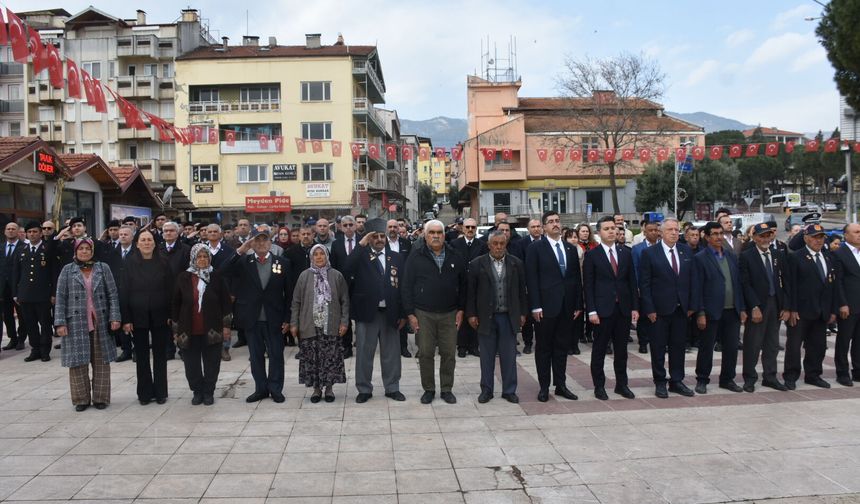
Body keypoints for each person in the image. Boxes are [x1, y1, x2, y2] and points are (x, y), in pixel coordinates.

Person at [402, 219, 466, 405]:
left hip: (450, 313)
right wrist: (410, 314)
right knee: (426, 353)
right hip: (423, 313)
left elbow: (464, 285)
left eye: (439, 232)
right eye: (432, 233)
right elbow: (406, 286)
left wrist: (461, 309)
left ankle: (447, 389)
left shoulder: (455, 255)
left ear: (444, 235)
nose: (436, 236)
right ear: (425, 235)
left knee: (448, 354)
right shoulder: (416, 256)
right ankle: (428, 389)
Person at [54, 239, 121, 411]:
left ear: (92, 251)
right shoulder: (67, 270)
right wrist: (60, 322)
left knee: (101, 361)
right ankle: (81, 399)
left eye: (87, 249)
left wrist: (115, 317)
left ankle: (100, 398)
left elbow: (113, 294)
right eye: (81, 249)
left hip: (100, 321)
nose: (84, 251)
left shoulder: (103, 268)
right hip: (75, 322)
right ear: (75, 251)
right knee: (77, 362)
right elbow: (60, 298)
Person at [526, 211, 583, 402]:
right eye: (550, 222)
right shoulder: (536, 248)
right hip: (545, 308)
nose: (555, 224)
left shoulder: (570, 248)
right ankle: (544, 387)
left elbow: (575, 279)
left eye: (557, 221)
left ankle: (561, 385)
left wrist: (577, 304)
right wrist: (535, 306)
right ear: (543, 227)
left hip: (567, 308)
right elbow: (531, 279)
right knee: (543, 349)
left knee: (561, 348)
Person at [229, 230, 293, 403]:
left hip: (275, 318)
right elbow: (224, 269)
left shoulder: (283, 262)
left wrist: (288, 318)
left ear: (271, 243)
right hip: (252, 318)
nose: (262, 244)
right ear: (252, 243)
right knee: (256, 356)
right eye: (257, 241)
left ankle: (275, 388)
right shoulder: (244, 262)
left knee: (276, 355)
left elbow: (289, 294)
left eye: (265, 240)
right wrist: (242, 249)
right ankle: (261, 389)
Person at [347, 221, 407, 403]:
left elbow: (403, 286)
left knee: (391, 353)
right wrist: (361, 244)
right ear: (369, 238)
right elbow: (346, 269)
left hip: (390, 312)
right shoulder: (361, 256)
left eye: (382, 236)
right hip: (367, 313)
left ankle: (392, 387)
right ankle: (364, 389)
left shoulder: (396, 257)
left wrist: (403, 313)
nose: (380, 239)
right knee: (365, 353)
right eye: (375, 236)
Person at [467, 230, 527, 404]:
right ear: (489, 245)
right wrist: (471, 314)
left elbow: (522, 292)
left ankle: (509, 390)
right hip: (486, 317)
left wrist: (523, 313)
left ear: (506, 244)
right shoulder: (477, 264)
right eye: (495, 243)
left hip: (508, 316)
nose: (499, 247)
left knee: (509, 356)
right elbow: (470, 293)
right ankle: (487, 390)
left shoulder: (516, 263)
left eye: (502, 243)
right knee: (486, 356)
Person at [639, 218, 696, 398]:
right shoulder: (650, 253)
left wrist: (691, 306)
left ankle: (677, 381)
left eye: (676, 229)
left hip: (681, 309)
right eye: (670, 229)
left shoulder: (686, 251)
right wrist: (649, 309)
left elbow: (692, 281)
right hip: (659, 310)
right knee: (658, 347)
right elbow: (645, 284)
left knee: (678, 347)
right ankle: (660, 381)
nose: (674, 232)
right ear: (661, 233)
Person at [584, 216, 639, 400]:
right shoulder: (592, 255)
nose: (611, 231)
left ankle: (621, 385)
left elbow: (632, 282)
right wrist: (591, 310)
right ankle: (599, 386)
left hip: (622, 309)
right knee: (599, 349)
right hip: (601, 310)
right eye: (606, 228)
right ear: (599, 232)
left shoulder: (626, 253)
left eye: (614, 228)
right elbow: (588, 285)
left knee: (621, 350)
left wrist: (634, 307)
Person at [171, 244, 232, 406]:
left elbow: (226, 303)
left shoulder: (216, 276)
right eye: (199, 257)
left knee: (212, 363)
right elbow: (176, 304)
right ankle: (197, 391)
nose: (203, 260)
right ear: (193, 258)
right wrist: (175, 330)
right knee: (191, 365)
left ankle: (208, 392)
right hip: (187, 329)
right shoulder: (183, 277)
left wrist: (226, 327)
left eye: (206, 256)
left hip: (212, 329)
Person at [692, 222, 747, 394]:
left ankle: (727, 379)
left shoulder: (731, 256)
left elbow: (738, 283)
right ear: (707, 237)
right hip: (710, 311)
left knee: (731, 348)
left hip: (732, 311)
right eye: (714, 234)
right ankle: (702, 380)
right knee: (706, 348)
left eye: (720, 233)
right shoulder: (700, 258)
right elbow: (697, 287)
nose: (718, 237)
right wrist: (700, 312)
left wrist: (742, 308)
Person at [290, 244, 349, 403]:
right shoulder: (304, 276)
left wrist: (344, 322)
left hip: (330, 325)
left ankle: (329, 389)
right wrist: (294, 324)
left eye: (321, 254)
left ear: (327, 256)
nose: (318, 257)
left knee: (330, 356)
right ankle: (316, 389)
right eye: (315, 254)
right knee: (312, 358)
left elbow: (345, 301)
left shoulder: (336, 275)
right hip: (309, 325)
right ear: (311, 257)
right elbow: (296, 302)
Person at [121, 229, 173, 405]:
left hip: (160, 315)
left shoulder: (164, 262)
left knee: (160, 355)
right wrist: (126, 319)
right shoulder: (129, 263)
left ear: (154, 243)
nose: (146, 243)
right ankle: (144, 393)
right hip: (137, 315)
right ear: (137, 243)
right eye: (143, 240)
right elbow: (124, 292)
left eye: (149, 240)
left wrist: (170, 314)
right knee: (141, 356)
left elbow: (171, 290)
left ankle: (160, 392)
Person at [784, 224, 837, 389]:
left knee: (818, 346)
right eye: (814, 237)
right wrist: (791, 309)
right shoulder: (795, 257)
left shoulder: (828, 257)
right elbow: (790, 285)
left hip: (821, 311)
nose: (818, 240)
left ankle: (813, 375)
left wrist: (833, 310)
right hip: (800, 311)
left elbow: (832, 286)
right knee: (794, 346)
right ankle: (791, 376)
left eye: (821, 237)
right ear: (806, 238)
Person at [739, 223, 790, 392]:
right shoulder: (746, 256)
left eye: (768, 235)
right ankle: (749, 378)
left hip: (775, 303)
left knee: (772, 343)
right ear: (754, 237)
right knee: (753, 343)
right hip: (758, 305)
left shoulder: (777, 254)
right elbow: (745, 284)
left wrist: (785, 306)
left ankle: (770, 377)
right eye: (761, 235)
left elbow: (784, 281)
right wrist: (753, 306)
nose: (765, 239)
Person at [13, 222, 57, 362]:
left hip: (43, 294)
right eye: (29, 232)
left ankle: (45, 350)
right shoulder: (22, 249)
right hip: (25, 294)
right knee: (30, 324)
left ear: (40, 233)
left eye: (35, 231)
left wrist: (53, 293)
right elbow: (16, 274)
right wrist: (16, 293)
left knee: (45, 324)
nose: (32, 234)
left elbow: (53, 273)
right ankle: (35, 350)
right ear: (26, 234)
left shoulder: (47, 249)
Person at [450, 218, 488, 358]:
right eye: (468, 227)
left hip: (477, 284)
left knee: (475, 313)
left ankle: (474, 345)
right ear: (463, 228)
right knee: (461, 313)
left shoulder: (482, 245)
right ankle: (462, 345)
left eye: (473, 227)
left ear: (476, 228)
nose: (470, 229)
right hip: (460, 284)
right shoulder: (454, 244)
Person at [159, 221, 191, 360]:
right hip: (162, 291)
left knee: (183, 320)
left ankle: (184, 348)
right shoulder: (158, 249)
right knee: (165, 321)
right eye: (165, 231)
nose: (168, 233)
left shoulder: (186, 249)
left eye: (171, 230)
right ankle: (168, 349)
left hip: (181, 291)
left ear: (177, 233)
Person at [835, 223, 860, 386]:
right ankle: (842, 372)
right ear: (846, 235)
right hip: (848, 305)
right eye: (856, 232)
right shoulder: (839, 254)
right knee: (844, 340)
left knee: (859, 341)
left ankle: (857, 371)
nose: (859, 235)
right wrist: (842, 304)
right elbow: (838, 282)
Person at [631, 219, 661, 355]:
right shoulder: (637, 249)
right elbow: (635, 269)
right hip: (643, 287)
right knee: (643, 317)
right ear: (645, 232)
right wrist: (637, 286)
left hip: (660, 289)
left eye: (656, 230)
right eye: (651, 230)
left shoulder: (663, 247)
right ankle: (643, 342)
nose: (654, 233)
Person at [1, 222, 25, 350]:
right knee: (7, 314)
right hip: (3, 288)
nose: (10, 231)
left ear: (18, 232)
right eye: (8, 229)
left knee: (22, 314)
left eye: (13, 229)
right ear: (5, 231)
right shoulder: (1, 247)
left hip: (18, 286)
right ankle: (13, 338)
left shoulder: (24, 247)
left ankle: (21, 338)